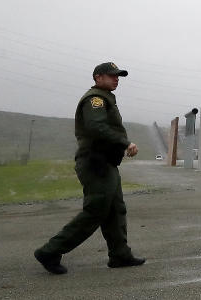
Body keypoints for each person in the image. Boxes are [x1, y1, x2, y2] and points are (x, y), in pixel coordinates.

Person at [34, 62, 145, 274]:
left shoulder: (106, 98)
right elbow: (96, 127)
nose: (116, 79)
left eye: (118, 76)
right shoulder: (95, 99)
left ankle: (120, 255)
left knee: (115, 209)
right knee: (95, 211)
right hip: (96, 163)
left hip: (106, 163)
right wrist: (125, 143)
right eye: (112, 76)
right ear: (97, 77)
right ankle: (50, 251)